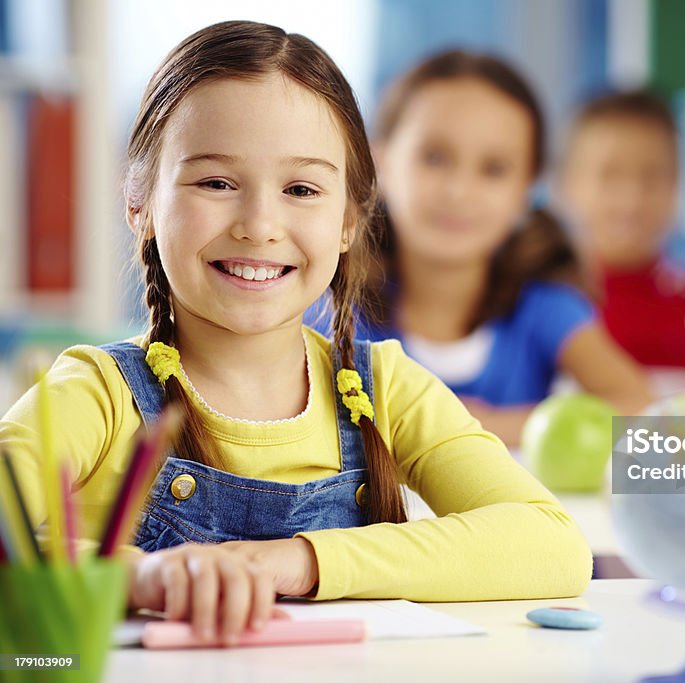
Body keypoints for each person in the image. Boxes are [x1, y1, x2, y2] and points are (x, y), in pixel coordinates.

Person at [0, 21, 591, 646]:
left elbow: (552, 544)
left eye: (301, 189)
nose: (260, 224)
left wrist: (299, 561)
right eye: (216, 182)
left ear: (348, 221)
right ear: (140, 204)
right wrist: (145, 577)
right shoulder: (97, 392)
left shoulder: (385, 387)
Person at [310, 51, 651, 445]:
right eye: (435, 157)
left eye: (494, 168)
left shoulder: (546, 309)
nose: (459, 191)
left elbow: (636, 405)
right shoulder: (329, 311)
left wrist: (479, 426)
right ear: (379, 163)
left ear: (526, 191)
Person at [556, 90, 685, 369]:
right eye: (609, 175)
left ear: (678, 183)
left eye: (653, 175)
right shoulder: (533, 304)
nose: (631, 200)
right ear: (566, 185)